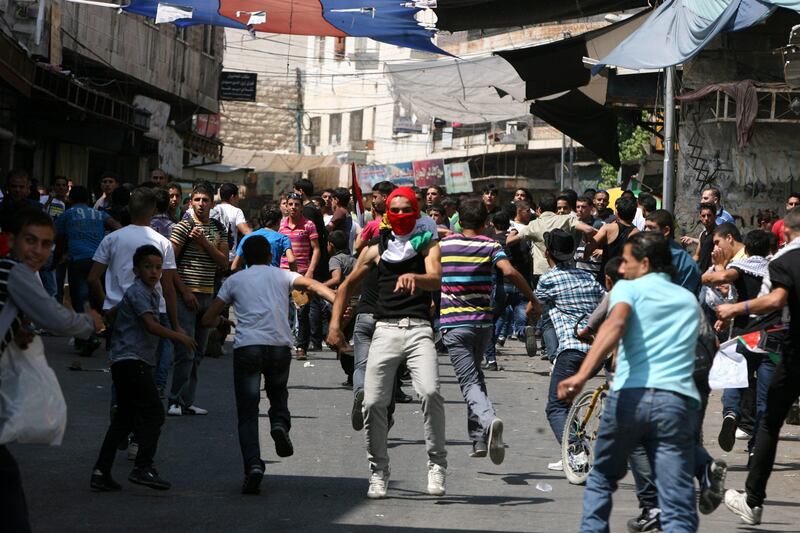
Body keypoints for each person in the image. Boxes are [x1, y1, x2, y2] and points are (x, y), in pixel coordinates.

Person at [558, 232, 706, 533]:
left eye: (627, 261)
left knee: (601, 479)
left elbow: (616, 323)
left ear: (646, 263)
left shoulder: (629, 289)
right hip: (676, 404)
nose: (621, 269)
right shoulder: (689, 300)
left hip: (628, 398)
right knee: (677, 501)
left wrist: (582, 375)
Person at [326, 186, 447, 500]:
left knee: (430, 392)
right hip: (384, 330)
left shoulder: (426, 243)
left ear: (417, 211)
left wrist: (417, 279)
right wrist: (335, 325)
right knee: (373, 403)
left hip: (419, 329)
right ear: (388, 214)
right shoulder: (376, 248)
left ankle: (436, 464)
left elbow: (436, 277)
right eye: (397, 210)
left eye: (409, 209)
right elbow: (345, 287)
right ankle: (378, 471)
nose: (403, 214)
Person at [201, 235, 335, 495]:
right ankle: (279, 424)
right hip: (278, 348)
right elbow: (312, 286)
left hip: (247, 348)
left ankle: (253, 465)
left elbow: (208, 317)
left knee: (248, 412)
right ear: (270, 256)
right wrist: (336, 298)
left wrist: (221, 322)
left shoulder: (235, 280)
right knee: (278, 393)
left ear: (246, 258)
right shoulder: (282, 276)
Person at [0, 209, 103, 532]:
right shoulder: (15, 271)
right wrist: (91, 323)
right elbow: (56, 318)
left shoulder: (8, 272)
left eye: (46, 244)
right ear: (13, 241)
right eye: (30, 241)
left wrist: (15, 328)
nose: (38, 251)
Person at [717, 207, 800, 526]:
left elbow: (776, 300)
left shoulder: (784, 262)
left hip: (787, 352)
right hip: (777, 350)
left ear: (786, 234)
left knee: (770, 421)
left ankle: (752, 501)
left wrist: (736, 307)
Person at [439, 199, 539, 464]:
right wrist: (533, 298)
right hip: (483, 324)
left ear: (460, 221)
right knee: (476, 377)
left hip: (454, 324)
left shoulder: (445, 246)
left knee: (469, 381)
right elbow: (509, 271)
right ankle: (479, 438)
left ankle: (488, 418)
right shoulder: (491, 245)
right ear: (485, 222)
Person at [90, 245, 196, 493]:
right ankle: (143, 467)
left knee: (124, 419)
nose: (154, 272)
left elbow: (118, 312)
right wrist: (178, 336)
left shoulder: (146, 293)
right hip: (131, 361)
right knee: (154, 414)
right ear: (136, 269)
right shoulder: (139, 292)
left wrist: (109, 316)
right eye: (148, 267)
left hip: (130, 360)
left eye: (158, 267)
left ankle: (100, 471)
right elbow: (150, 325)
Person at [534, 229, 605, 471]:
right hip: (597, 353)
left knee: (556, 406)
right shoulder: (588, 278)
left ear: (547, 253)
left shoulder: (549, 279)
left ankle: (576, 452)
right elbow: (606, 302)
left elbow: (535, 306)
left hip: (571, 351)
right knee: (568, 402)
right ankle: (570, 447)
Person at [167, 182, 229, 416]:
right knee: (185, 351)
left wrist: (204, 243)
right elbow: (169, 264)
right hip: (187, 298)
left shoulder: (217, 228)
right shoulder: (183, 227)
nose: (201, 204)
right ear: (190, 202)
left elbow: (224, 262)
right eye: (197, 200)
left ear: (212, 203)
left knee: (199, 352)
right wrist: (184, 292)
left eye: (205, 200)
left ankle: (186, 400)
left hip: (208, 296)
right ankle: (173, 400)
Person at [55, 186, 120, 354]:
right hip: (99, 262)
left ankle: (87, 338)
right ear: (89, 200)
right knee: (99, 299)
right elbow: (118, 227)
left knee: (81, 300)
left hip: (78, 261)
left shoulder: (66, 215)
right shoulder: (99, 214)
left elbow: (60, 240)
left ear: (70, 199)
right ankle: (111, 334)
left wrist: (57, 259)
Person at [280, 193, 320, 360]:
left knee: (302, 311)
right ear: (286, 206)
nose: (293, 207)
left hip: (301, 275)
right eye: (291, 204)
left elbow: (316, 249)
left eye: (297, 204)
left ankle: (301, 347)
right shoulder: (281, 225)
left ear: (301, 207)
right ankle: (282, 344)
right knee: (282, 311)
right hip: (282, 273)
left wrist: (310, 270)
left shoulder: (309, 225)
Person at [644, 210, 701, 294]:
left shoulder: (685, 263)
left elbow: (685, 297)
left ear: (666, 231)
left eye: (651, 228)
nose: (646, 231)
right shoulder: (642, 251)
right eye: (645, 227)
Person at [587, 196, 639, 283]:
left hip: (606, 277)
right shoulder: (637, 233)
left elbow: (589, 249)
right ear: (634, 214)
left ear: (617, 213)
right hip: (626, 278)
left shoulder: (607, 228)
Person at [232, 206, 294, 271]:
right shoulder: (283, 238)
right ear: (278, 221)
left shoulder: (248, 237)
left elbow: (234, 267)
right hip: (272, 278)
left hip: (250, 278)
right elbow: (291, 260)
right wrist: (294, 277)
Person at [212, 183, 252, 263]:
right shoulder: (236, 211)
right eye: (237, 195)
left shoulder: (213, 209)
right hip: (229, 259)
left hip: (212, 256)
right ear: (232, 197)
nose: (239, 198)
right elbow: (246, 232)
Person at [682, 203, 717, 272]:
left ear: (715, 216)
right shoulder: (703, 234)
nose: (706, 218)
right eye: (703, 216)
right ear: (700, 217)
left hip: (712, 274)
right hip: (701, 273)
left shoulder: (718, 233)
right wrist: (685, 265)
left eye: (709, 215)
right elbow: (697, 256)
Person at [574, 196, 604, 276]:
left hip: (593, 270)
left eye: (583, 207)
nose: (580, 209)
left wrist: (603, 251)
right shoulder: (573, 223)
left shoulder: (599, 224)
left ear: (591, 208)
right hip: (577, 269)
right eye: (578, 207)